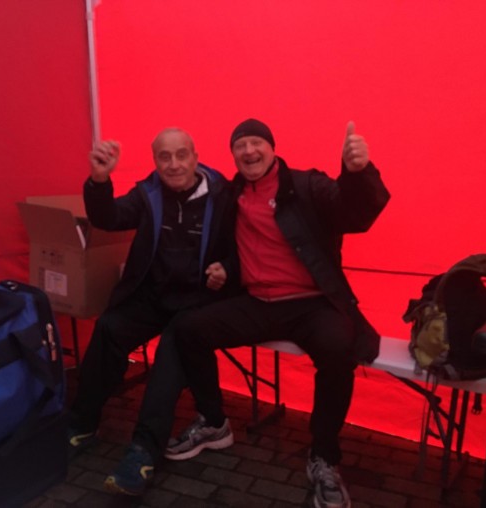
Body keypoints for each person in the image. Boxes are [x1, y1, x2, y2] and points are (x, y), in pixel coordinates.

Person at [168, 119, 390, 508]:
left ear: (272, 148)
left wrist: (357, 173)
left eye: (256, 142)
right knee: (188, 328)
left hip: (311, 303)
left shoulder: (306, 185)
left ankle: (324, 456)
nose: (249, 151)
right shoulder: (231, 195)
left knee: (339, 350)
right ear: (233, 155)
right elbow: (232, 248)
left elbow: (355, 216)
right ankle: (214, 422)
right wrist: (227, 269)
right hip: (258, 302)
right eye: (240, 145)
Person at [68, 127, 237, 495]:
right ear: (155, 162)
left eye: (181, 155)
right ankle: (82, 423)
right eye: (164, 157)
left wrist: (227, 267)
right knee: (110, 327)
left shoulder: (223, 196)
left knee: (172, 348)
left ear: (195, 157)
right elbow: (109, 218)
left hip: (198, 303)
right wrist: (99, 181)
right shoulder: (148, 193)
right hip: (152, 297)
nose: (173, 164)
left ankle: (144, 450)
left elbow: (243, 246)